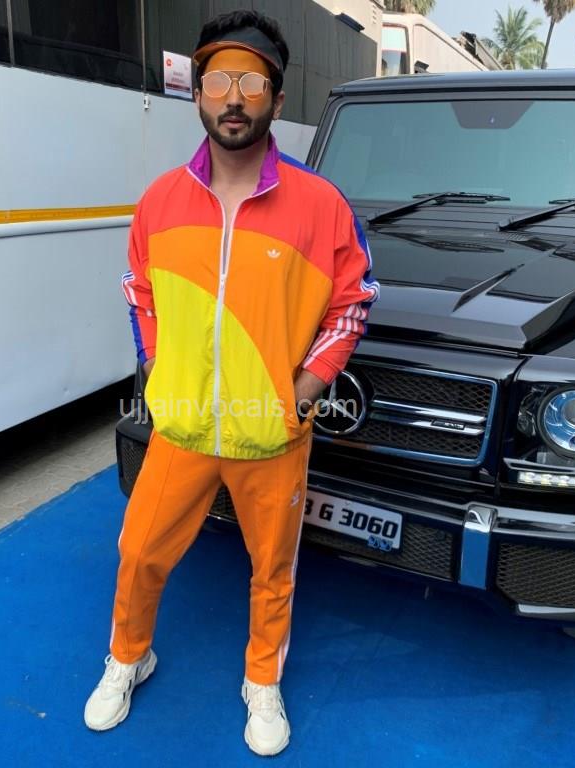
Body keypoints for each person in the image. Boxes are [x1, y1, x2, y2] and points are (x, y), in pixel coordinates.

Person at [84, 8, 378, 756]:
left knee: (271, 569)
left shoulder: (320, 205)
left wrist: (304, 391)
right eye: (219, 81)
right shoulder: (159, 201)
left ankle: (262, 679)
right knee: (139, 552)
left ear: (276, 98)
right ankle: (128, 658)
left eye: (252, 82)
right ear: (198, 95)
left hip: (271, 432)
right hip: (180, 429)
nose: (234, 98)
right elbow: (139, 292)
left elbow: (352, 302)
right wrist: (159, 369)